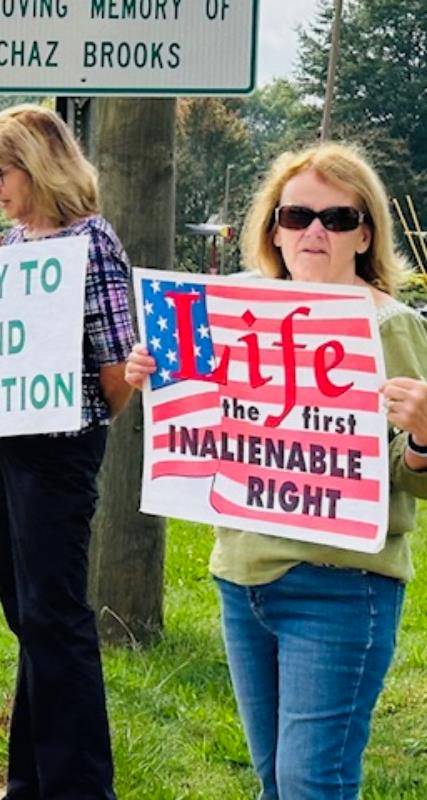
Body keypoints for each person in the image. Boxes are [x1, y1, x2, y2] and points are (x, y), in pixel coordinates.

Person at [124, 142, 427, 799]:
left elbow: (414, 480)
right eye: (295, 216)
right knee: (273, 780)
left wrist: (425, 436)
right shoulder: (225, 314)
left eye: (337, 219)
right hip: (241, 578)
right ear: (273, 230)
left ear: (364, 233)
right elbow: (198, 431)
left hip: (341, 589)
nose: (313, 231)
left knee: (308, 783)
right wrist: (155, 377)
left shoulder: (390, 326)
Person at [0, 104, 135, 799]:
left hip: (59, 448)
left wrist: (83, 415)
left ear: (37, 167)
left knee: (55, 616)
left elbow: (116, 367)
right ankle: (30, 781)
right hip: (5, 442)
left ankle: (78, 787)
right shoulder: (10, 245)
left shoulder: (90, 243)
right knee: (26, 612)